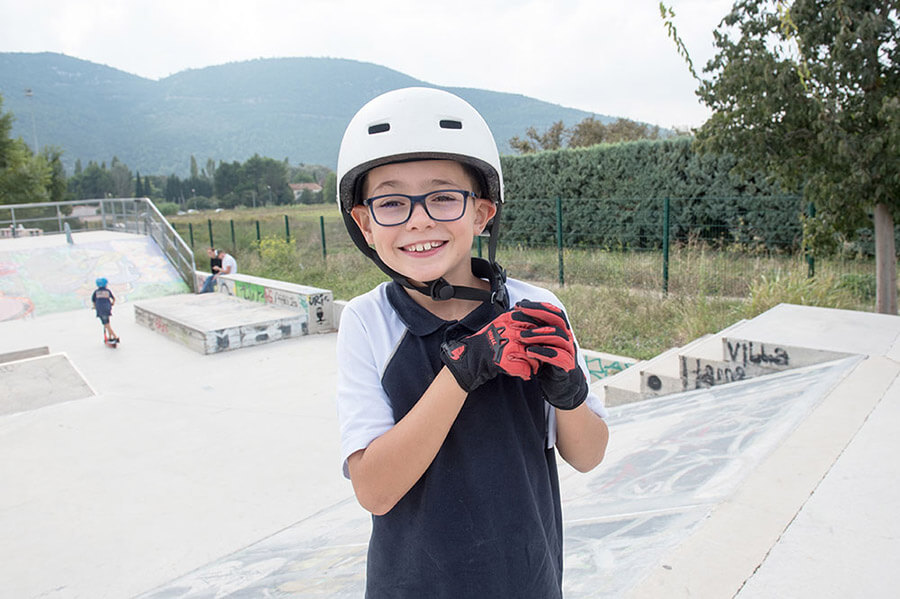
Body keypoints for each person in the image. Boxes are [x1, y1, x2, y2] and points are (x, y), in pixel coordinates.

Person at [334, 87, 609, 598]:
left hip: (527, 581)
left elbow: (588, 455)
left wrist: (569, 392)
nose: (419, 219)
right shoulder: (367, 321)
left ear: (482, 214)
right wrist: (461, 372)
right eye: (392, 202)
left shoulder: (537, 311)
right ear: (365, 224)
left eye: (443, 197)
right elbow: (374, 489)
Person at [92, 277, 118, 343]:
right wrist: (112, 303)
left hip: (100, 309)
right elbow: (113, 299)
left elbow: (93, 301)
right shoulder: (107, 291)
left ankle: (115, 336)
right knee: (107, 322)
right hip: (107, 308)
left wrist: (94, 307)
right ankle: (110, 337)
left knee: (106, 324)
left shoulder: (96, 292)